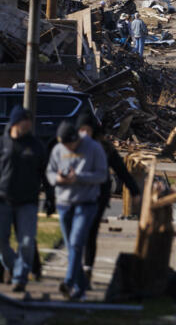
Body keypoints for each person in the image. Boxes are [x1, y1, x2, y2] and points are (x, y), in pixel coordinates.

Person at [76, 114, 139, 288]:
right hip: (78, 196)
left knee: (90, 232)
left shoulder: (104, 148)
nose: (84, 134)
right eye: (81, 130)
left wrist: (134, 191)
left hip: (98, 196)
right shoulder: (74, 146)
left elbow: (121, 170)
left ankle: (87, 268)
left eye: (87, 130)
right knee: (78, 234)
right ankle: (77, 269)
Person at [46, 121, 107, 300]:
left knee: (76, 243)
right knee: (72, 247)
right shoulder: (58, 149)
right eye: (65, 146)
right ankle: (81, 288)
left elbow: (102, 175)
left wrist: (78, 178)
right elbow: (49, 172)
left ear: (76, 139)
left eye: (71, 145)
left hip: (86, 203)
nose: (68, 149)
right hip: (64, 203)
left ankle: (68, 282)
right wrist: (57, 178)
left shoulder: (94, 148)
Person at [0, 106, 47, 293]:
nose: (26, 125)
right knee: (1, 243)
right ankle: (14, 267)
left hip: (27, 201)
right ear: (14, 122)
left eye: (29, 121)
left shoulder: (35, 146)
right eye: (23, 121)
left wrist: (50, 196)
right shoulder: (2, 143)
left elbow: (45, 173)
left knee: (27, 242)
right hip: (2, 199)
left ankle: (19, 278)